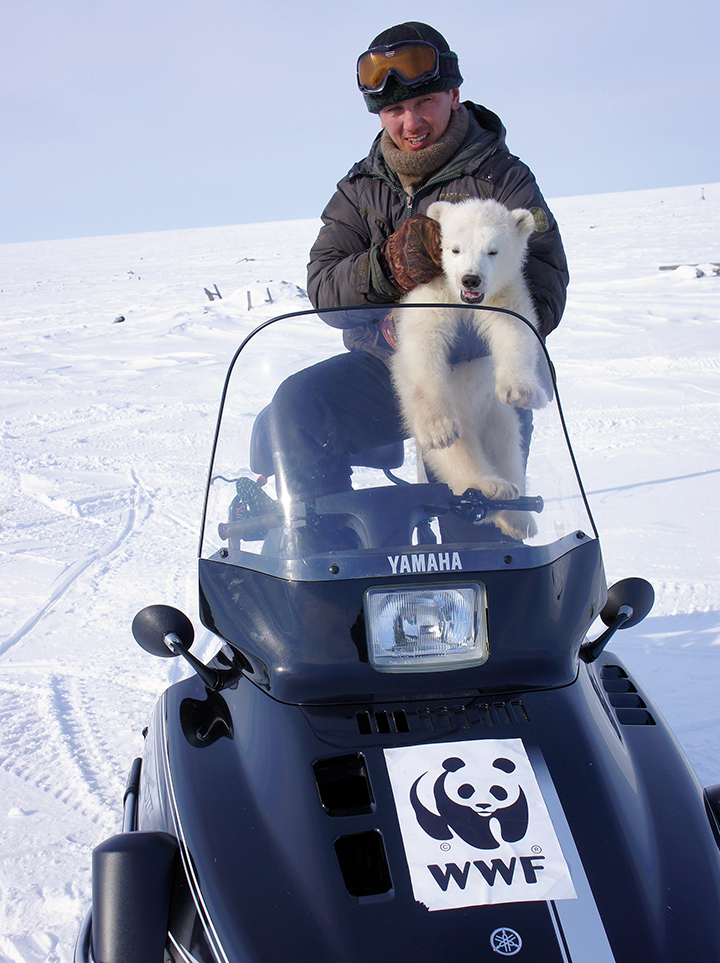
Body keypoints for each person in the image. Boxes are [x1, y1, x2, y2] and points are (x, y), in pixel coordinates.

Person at [268, 21, 568, 517]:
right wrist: (386, 268)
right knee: (297, 407)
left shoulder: (504, 179)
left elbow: (544, 284)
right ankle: (326, 557)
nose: (411, 122)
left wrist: (452, 334)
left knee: (476, 519)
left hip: (482, 370)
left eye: (424, 102)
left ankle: (489, 568)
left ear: (453, 95)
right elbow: (323, 287)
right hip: (387, 367)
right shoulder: (359, 189)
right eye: (394, 109)